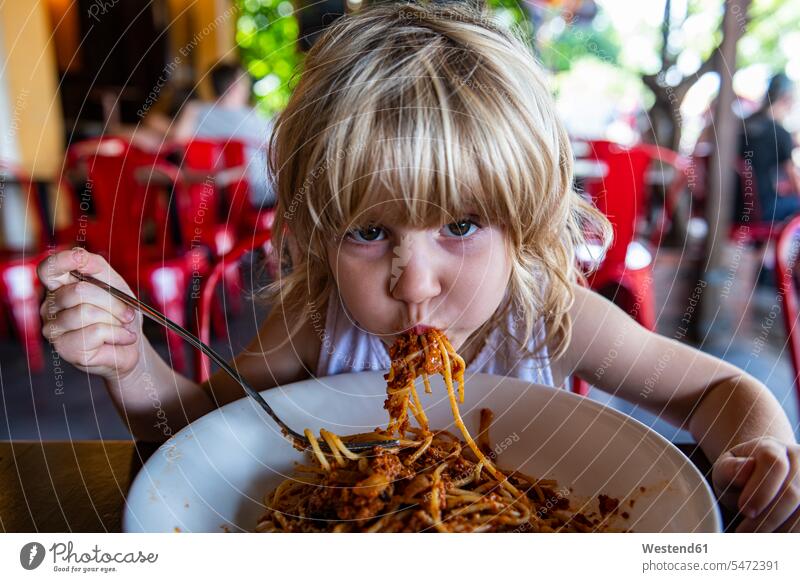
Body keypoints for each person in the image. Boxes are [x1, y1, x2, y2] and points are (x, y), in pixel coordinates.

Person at [38, 2, 798, 532]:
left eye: (460, 225)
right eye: (368, 231)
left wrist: (760, 452)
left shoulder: (550, 318)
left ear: (525, 222)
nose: (414, 280)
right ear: (317, 232)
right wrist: (130, 359)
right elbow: (198, 437)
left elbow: (721, 390)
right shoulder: (315, 321)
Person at [170, 61, 276, 207]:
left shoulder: (195, 112)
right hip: (257, 197)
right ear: (234, 86)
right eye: (244, 82)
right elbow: (278, 153)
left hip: (209, 200)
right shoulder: (255, 119)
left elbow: (177, 144)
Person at [738, 72, 800, 223]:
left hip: (735, 207)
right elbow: (794, 181)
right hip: (764, 210)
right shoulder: (780, 133)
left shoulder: (743, 126)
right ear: (786, 98)